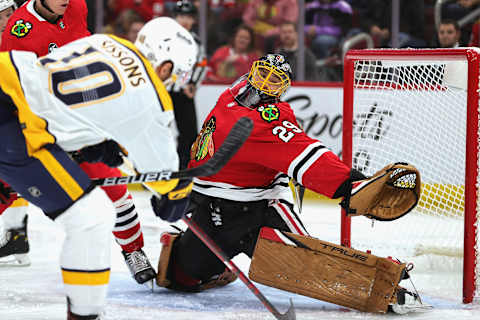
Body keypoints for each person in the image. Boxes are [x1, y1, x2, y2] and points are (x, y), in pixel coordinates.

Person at [153, 53, 424, 313]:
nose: (265, 81)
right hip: (209, 209)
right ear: (252, 70)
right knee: (178, 276)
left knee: (309, 268)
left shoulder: (270, 119)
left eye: (275, 79)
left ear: (283, 88)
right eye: (262, 73)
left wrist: (350, 186)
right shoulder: (230, 95)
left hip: (257, 211)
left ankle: (382, 283)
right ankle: (218, 265)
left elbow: (306, 154)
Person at [0, 16, 197, 319]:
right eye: (177, 74)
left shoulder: (110, 42)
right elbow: (164, 178)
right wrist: (177, 195)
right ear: (167, 66)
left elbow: (59, 94)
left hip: (7, 75)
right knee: (92, 218)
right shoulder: (152, 98)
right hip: (15, 126)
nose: (173, 82)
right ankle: (85, 314)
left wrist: (90, 142)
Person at [0, 0, 158, 286]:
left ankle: (134, 252)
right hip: (35, 127)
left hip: (79, 118)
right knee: (5, 189)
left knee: (116, 189)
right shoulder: (17, 34)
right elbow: (23, 97)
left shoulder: (76, 6)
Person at [168, 0, 207, 169]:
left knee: (189, 135)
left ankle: (182, 172)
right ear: (175, 18)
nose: (185, 20)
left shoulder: (197, 42)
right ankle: (154, 172)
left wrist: (192, 84)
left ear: (194, 20)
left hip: (183, 94)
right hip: (162, 92)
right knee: (159, 132)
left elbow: (201, 64)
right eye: (181, 16)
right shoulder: (165, 38)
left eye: (189, 16)